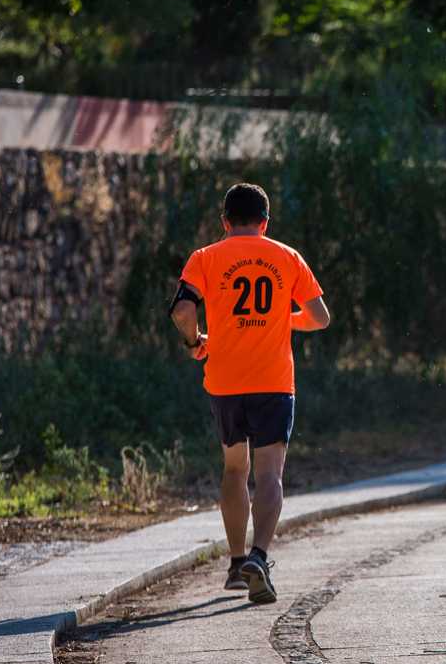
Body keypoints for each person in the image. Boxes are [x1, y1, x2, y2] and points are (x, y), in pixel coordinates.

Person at [168, 183, 330, 604]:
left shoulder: (205, 258)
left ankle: (238, 564)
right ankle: (260, 555)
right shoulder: (287, 256)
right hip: (273, 383)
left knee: (234, 469)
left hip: (224, 382)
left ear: (224, 222)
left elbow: (183, 311)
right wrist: (282, 320)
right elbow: (320, 317)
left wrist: (193, 342)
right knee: (270, 474)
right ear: (265, 222)